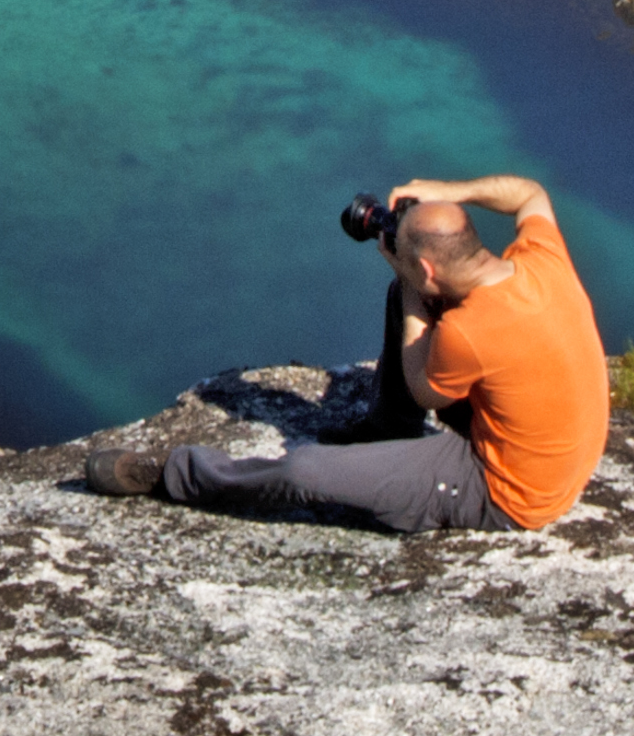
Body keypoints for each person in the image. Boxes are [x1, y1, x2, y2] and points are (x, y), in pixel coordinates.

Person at [171, 172, 609, 537]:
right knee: (411, 296)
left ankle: (175, 474)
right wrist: (450, 193)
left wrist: (414, 292)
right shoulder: (542, 258)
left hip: (508, 492)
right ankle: (387, 428)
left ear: (428, 269)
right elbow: (531, 194)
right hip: (559, 458)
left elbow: (423, 390)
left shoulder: (468, 330)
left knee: (306, 470)